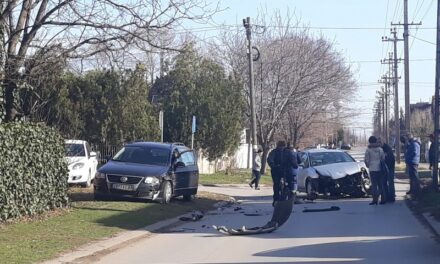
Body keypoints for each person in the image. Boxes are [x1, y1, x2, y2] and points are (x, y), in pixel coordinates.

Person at [364, 136, 386, 205]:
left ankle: (375, 200)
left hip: (372, 168)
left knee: (374, 185)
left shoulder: (368, 150)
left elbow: (366, 159)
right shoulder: (380, 149)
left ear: (370, 141)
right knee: (380, 184)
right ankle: (383, 199)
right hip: (379, 168)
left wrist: (368, 165)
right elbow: (383, 158)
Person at [267, 141, 287, 206]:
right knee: (277, 185)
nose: (281, 148)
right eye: (281, 147)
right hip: (278, 170)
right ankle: (277, 199)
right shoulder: (275, 152)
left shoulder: (275, 152)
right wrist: (273, 165)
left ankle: (279, 198)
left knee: (279, 185)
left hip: (280, 170)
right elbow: (270, 159)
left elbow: (270, 160)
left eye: (282, 147)